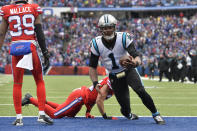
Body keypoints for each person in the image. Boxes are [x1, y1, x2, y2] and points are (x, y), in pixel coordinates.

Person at [89, 14, 165, 125]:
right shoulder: (96, 43)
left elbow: (136, 55)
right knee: (125, 106)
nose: (108, 30)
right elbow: (92, 66)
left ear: (114, 27)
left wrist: (135, 63)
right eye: (105, 28)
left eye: (110, 27)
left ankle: (156, 114)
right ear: (101, 29)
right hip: (115, 76)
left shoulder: (123, 37)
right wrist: (95, 82)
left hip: (128, 70)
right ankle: (128, 114)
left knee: (140, 90)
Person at [0, 0, 52, 125]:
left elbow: (1, 33)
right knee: (39, 80)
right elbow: (39, 33)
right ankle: (41, 114)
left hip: (16, 49)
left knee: (17, 84)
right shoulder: (33, 7)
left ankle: (19, 118)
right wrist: (45, 52)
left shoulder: (6, 10)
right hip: (30, 47)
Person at [22, 77, 117, 120]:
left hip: (82, 99)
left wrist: (88, 111)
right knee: (55, 115)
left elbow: (93, 98)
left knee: (67, 113)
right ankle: (30, 99)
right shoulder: (108, 85)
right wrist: (105, 116)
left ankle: (45, 102)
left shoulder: (112, 86)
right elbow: (98, 100)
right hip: (78, 97)